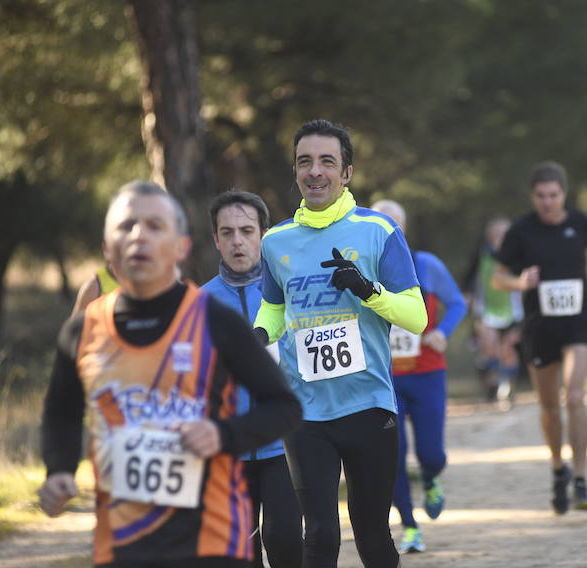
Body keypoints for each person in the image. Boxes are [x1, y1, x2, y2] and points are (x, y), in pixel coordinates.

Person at [38, 181, 302, 568]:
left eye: (155, 226)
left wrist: (223, 434)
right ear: (106, 248)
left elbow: (284, 406)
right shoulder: (82, 331)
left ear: (181, 246)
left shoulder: (214, 320)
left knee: (284, 541)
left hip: (211, 534)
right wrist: (59, 469)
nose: (139, 236)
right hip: (124, 542)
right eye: (126, 226)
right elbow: (61, 409)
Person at [253, 119, 427, 568]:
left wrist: (368, 290)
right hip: (306, 413)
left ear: (346, 173)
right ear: (295, 172)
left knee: (371, 533)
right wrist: (257, 334)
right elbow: (274, 308)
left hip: (368, 406)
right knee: (321, 536)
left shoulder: (379, 231)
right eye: (304, 162)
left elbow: (417, 317)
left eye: (327, 162)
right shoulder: (275, 242)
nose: (315, 172)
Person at [492, 160, 587, 515]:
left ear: (564, 194)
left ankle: (580, 477)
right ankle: (558, 467)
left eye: (554, 195)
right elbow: (499, 278)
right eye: (541, 196)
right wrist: (520, 282)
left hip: (577, 322)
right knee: (549, 407)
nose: (548, 202)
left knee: (574, 396)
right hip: (539, 326)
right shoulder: (521, 231)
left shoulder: (581, 223)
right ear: (533, 196)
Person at [200, 190, 302, 568]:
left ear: (264, 234)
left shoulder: (291, 294)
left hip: (284, 448)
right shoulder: (198, 304)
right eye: (227, 233)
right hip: (227, 451)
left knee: (287, 542)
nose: (237, 241)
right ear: (215, 239)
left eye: (246, 230)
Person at [371, 199, 467, 554]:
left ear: (404, 229)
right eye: (380, 222)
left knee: (432, 454)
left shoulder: (425, 265)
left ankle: (430, 478)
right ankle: (410, 526)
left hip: (427, 374)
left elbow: (457, 302)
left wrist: (443, 331)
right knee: (393, 455)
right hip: (386, 378)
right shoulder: (364, 268)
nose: (387, 229)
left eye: (393, 222)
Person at [462, 217, 524, 405]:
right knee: (489, 349)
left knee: (508, 350)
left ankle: (509, 387)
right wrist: (467, 296)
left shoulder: (519, 256)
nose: (500, 239)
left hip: (514, 312)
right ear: (489, 237)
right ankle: (491, 384)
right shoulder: (481, 255)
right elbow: (469, 279)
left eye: (504, 235)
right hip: (486, 311)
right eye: (496, 235)